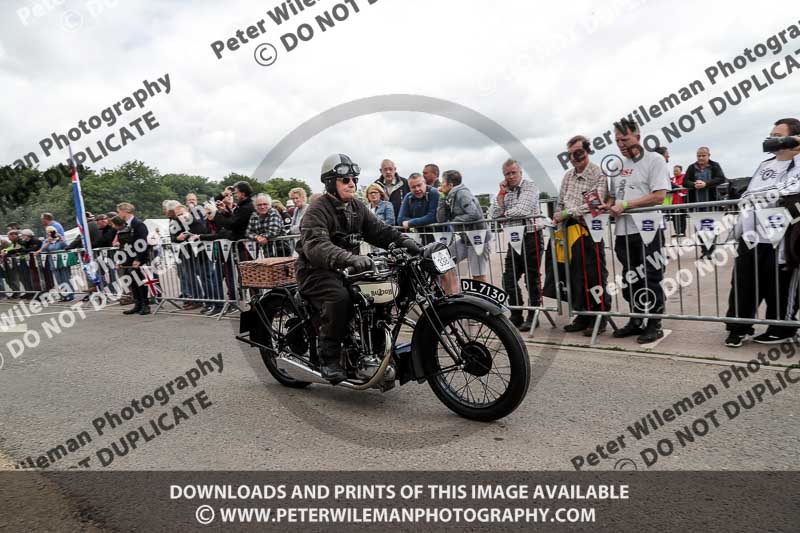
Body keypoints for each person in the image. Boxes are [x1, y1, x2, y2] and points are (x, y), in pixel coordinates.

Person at [296, 153, 421, 382]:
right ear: (330, 183)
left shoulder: (357, 207)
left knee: (378, 294)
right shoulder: (317, 209)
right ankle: (329, 359)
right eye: (345, 180)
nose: (352, 183)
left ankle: (374, 349)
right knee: (340, 298)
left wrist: (406, 243)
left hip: (347, 269)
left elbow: (380, 231)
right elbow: (316, 246)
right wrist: (349, 258)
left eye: (354, 178)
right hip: (315, 271)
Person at [724, 118, 800, 347]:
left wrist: (761, 196)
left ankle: (782, 328)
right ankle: (738, 327)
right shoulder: (764, 164)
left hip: (781, 235)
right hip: (751, 234)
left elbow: (787, 191)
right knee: (744, 281)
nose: (772, 139)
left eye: (778, 135)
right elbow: (749, 194)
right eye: (771, 134)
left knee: (779, 283)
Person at [606, 119, 671, 344]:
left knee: (651, 277)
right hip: (624, 231)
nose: (621, 144)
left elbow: (659, 195)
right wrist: (608, 205)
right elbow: (613, 196)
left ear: (637, 136)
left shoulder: (654, 160)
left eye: (624, 139)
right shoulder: (616, 166)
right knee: (629, 277)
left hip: (648, 229)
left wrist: (626, 205)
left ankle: (654, 323)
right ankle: (635, 319)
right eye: (617, 141)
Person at [552, 137, 611, 335]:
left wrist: (568, 213)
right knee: (576, 275)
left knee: (595, 275)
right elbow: (560, 202)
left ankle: (600, 316)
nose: (574, 158)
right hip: (569, 231)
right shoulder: (568, 176)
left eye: (578, 153)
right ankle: (583, 315)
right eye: (570, 154)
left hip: (589, 231)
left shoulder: (598, 173)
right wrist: (558, 217)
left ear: (587, 151)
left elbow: (595, 204)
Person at [487, 159, 542, 331]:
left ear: (520, 172)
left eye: (513, 172)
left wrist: (505, 214)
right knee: (508, 278)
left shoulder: (530, 187)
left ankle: (534, 315)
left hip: (531, 236)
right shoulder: (504, 191)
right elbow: (493, 213)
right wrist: (501, 195)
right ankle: (516, 312)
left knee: (532, 279)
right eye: (507, 174)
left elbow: (522, 209)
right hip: (513, 239)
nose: (510, 177)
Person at [437, 169, 491, 294]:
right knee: (444, 260)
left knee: (478, 276)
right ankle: (453, 297)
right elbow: (440, 219)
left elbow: (474, 214)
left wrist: (455, 221)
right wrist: (442, 198)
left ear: (451, 185)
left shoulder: (462, 193)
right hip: (465, 239)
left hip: (478, 238)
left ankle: (483, 306)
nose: (441, 185)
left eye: (443, 182)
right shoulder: (449, 195)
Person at [116, 202, 152, 315]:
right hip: (127, 258)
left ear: (125, 211)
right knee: (132, 282)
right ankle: (137, 304)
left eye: (119, 211)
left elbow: (142, 243)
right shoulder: (125, 225)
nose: (118, 214)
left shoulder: (138, 224)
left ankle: (145, 305)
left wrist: (138, 259)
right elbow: (123, 245)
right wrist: (120, 260)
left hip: (137, 258)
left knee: (139, 281)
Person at [397, 173, 440, 241]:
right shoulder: (408, 197)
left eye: (419, 185)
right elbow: (400, 219)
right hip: (418, 238)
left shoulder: (434, 193)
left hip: (437, 236)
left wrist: (410, 223)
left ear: (424, 183)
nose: (417, 189)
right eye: (413, 187)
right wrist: (422, 220)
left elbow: (433, 217)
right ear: (409, 188)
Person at [39, 224, 74, 301]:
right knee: (59, 280)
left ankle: (70, 295)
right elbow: (43, 250)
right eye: (48, 232)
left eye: (51, 232)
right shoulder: (46, 240)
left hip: (62, 261)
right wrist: (48, 242)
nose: (49, 233)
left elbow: (66, 246)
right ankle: (63, 295)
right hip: (53, 263)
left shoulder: (60, 239)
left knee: (66, 278)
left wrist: (61, 238)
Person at [373, 159, 410, 225]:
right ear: (381, 171)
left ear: (395, 169)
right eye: (385, 169)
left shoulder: (405, 182)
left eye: (390, 169)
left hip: (402, 223)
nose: (388, 172)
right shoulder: (376, 185)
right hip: (383, 224)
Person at [669, 165, 687, 236]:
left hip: (681, 201)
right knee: (674, 217)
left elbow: (683, 187)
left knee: (682, 217)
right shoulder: (672, 179)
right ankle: (677, 232)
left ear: (680, 171)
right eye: (674, 171)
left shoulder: (684, 177)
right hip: (673, 201)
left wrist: (678, 186)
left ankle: (682, 232)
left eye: (676, 171)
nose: (675, 172)